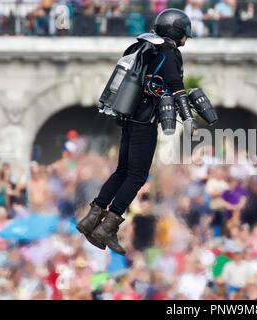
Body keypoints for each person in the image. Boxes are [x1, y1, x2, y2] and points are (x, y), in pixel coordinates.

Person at [76, 8, 197, 255]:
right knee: (137, 176)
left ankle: (91, 219)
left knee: (122, 171)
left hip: (129, 116)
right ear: (176, 30)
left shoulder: (141, 46)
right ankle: (106, 227)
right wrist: (188, 117)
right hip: (145, 121)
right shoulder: (168, 52)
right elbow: (175, 86)